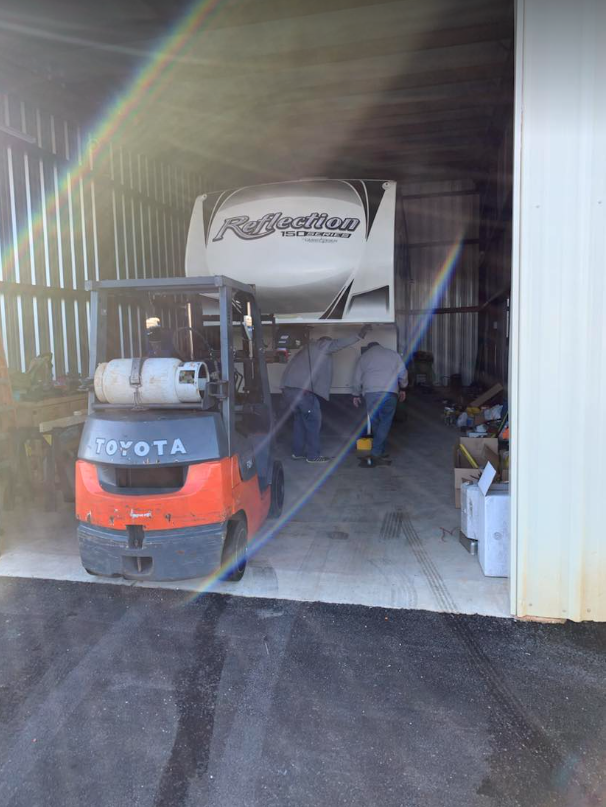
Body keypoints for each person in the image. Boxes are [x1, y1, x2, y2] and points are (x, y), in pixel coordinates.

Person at [281, 325, 372, 463]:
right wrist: (359, 335)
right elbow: (338, 344)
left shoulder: (306, 350)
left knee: (299, 422)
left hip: (289, 390)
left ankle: (297, 452)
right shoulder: (321, 346)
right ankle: (313, 456)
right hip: (303, 393)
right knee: (313, 422)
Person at [352, 342, 408, 465]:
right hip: (389, 392)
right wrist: (403, 388)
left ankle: (377, 451)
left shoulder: (364, 357)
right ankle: (378, 451)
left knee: (375, 421)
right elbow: (403, 373)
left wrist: (355, 394)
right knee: (385, 421)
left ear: (370, 347)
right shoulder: (393, 355)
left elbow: (357, 377)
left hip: (371, 393)